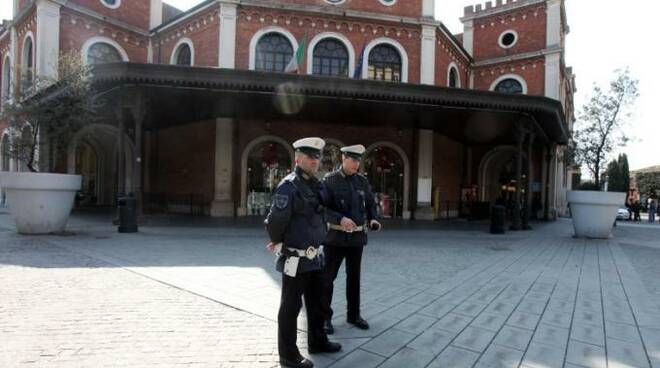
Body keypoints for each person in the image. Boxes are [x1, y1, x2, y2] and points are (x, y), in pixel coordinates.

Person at [265, 137, 341, 368]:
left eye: (317, 157)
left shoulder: (316, 185)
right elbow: (275, 221)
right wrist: (278, 242)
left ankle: (318, 341)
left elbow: (326, 210)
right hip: (295, 258)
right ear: (298, 158)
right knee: (290, 307)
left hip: (316, 256)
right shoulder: (289, 186)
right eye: (310, 157)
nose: (314, 161)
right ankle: (288, 356)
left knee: (317, 303)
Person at [320, 144, 381, 334]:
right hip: (335, 238)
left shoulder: (362, 182)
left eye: (358, 160)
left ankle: (353, 315)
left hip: (356, 239)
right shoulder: (329, 181)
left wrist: (373, 219)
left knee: (354, 279)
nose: (357, 164)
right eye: (353, 160)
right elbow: (322, 208)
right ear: (343, 158)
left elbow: (371, 203)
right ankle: (324, 318)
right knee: (327, 279)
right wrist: (340, 218)